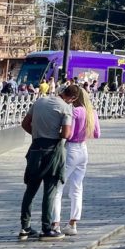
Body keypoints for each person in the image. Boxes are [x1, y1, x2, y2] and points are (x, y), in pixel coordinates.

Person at [18, 89, 75, 240]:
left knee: (30, 190)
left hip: (35, 148)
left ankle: (25, 228)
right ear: (72, 98)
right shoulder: (65, 108)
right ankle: (47, 229)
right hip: (52, 151)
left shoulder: (39, 101)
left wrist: (37, 135)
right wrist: (52, 135)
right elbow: (66, 134)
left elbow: (25, 123)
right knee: (49, 191)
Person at [52, 84, 101, 236]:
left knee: (57, 186)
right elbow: (97, 133)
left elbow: (69, 133)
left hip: (71, 149)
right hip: (83, 150)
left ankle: (55, 224)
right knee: (77, 187)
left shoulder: (74, 112)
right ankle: (73, 223)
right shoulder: (91, 112)